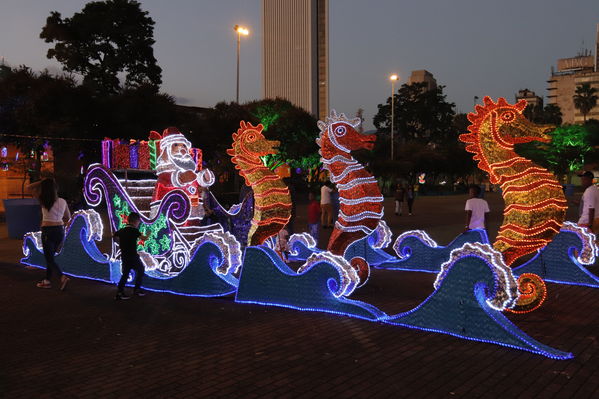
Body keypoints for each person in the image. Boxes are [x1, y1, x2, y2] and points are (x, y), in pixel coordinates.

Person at [34, 178, 71, 290]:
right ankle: (47, 280)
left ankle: (62, 277)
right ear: (55, 189)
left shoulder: (43, 199)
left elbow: (28, 188)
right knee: (51, 258)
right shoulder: (63, 201)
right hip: (60, 231)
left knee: (49, 258)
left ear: (44, 189)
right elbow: (68, 217)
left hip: (48, 231)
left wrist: (42, 182)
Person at [113, 212, 148, 300]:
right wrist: (149, 233)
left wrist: (120, 243)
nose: (138, 224)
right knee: (141, 269)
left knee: (125, 274)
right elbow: (144, 239)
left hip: (124, 256)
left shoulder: (122, 230)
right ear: (135, 221)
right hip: (133, 256)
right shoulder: (134, 230)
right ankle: (136, 289)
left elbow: (114, 236)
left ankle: (119, 292)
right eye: (138, 222)